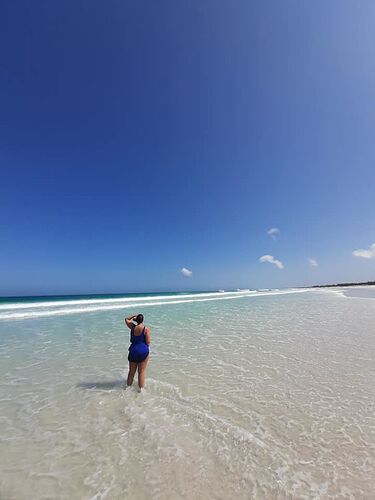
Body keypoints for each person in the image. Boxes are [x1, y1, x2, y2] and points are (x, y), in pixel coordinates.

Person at [124, 313, 151, 390]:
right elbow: (148, 342)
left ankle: (127, 388)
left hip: (133, 351)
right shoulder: (145, 329)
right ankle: (141, 391)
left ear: (136, 320)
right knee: (141, 372)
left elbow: (126, 319)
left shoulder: (132, 327)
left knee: (131, 372)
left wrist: (133, 316)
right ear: (143, 320)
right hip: (142, 351)